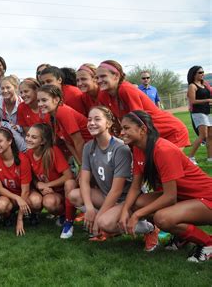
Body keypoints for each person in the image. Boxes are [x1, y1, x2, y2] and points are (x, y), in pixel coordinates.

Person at [118, 110, 212, 262]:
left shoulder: (163, 149)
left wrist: (136, 215)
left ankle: (208, 242)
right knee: (139, 202)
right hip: (185, 197)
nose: (122, 132)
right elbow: (135, 187)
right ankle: (183, 236)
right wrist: (125, 210)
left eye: (126, 128)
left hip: (206, 198)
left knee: (162, 218)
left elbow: (169, 197)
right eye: (121, 128)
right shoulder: (138, 148)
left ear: (143, 129)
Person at [67, 107, 156, 244]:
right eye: (89, 120)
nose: (91, 123)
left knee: (105, 223)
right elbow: (84, 181)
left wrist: (98, 218)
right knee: (73, 195)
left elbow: (117, 190)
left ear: (108, 124)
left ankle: (149, 228)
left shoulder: (120, 148)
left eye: (97, 119)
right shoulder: (88, 147)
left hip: (125, 199)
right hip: (106, 195)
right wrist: (89, 209)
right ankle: (108, 224)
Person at [96, 60, 190, 149]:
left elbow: (138, 121)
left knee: (167, 164)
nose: (99, 80)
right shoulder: (103, 95)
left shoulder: (126, 89)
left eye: (103, 76)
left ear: (116, 76)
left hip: (169, 130)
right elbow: (113, 122)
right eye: (97, 77)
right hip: (149, 134)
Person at [25, 123, 77, 238]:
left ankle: (66, 217)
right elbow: (31, 176)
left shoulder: (53, 151)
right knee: (37, 200)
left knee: (53, 200)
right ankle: (36, 215)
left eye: (34, 137)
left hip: (61, 191)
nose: (28, 139)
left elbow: (68, 176)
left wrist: (47, 184)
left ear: (42, 141)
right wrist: (38, 184)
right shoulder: (28, 153)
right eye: (28, 135)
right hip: (46, 190)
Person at [0, 127, 41, 236]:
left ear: (9, 141)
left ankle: (31, 214)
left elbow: (25, 191)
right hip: (9, 195)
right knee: (0, 206)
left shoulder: (22, 159)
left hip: (25, 193)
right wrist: (17, 198)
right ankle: (8, 216)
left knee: (36, 201)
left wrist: (20, 220)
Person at [37, 84, 92, 165]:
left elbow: (79, 141)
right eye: (38, 101)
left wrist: (84, 166)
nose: (40, 104)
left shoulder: (62, 111)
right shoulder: (52, 116)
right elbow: (68, 143)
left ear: (56, 100)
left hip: (94, 150)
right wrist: (80, 164)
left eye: (44, 100)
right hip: (86, 153)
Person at [186, 66, 211, 165]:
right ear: (194, 74)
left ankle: (210, 157)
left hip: (207, 112)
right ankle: (190, 157)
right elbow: (193, 101)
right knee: (203, 136)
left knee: (210, 136)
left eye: (203, 72)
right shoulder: (192, 86)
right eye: (200, 72)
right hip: (198, 112)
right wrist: (208, 100)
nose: (202, 74)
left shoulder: (204, 84)